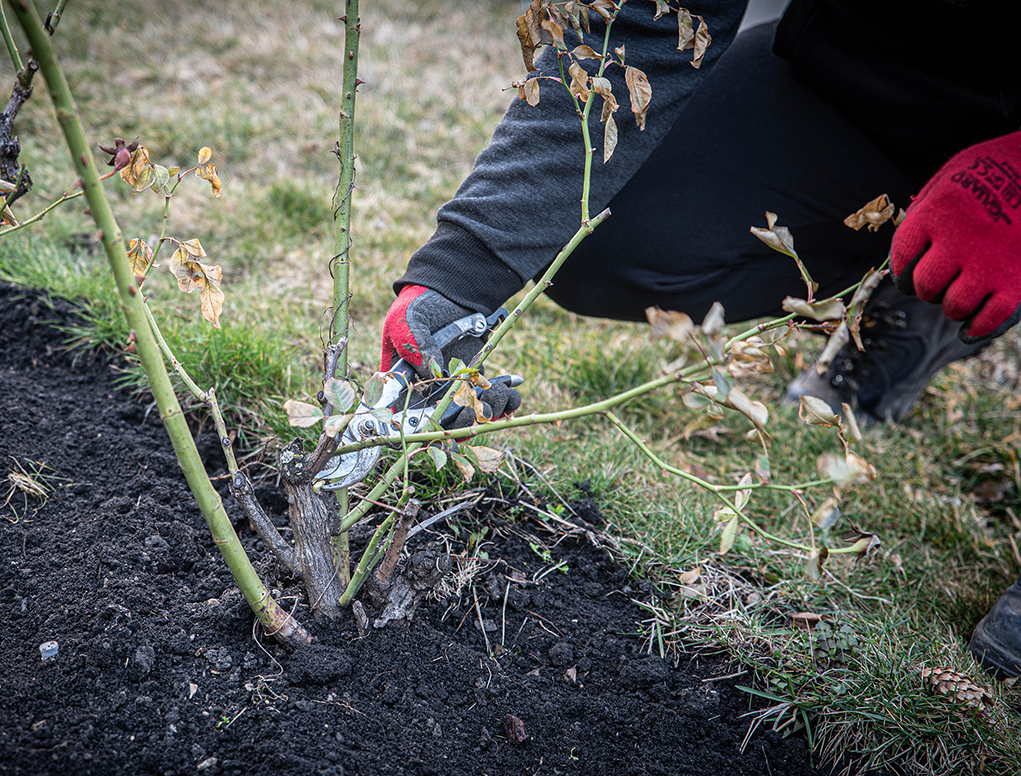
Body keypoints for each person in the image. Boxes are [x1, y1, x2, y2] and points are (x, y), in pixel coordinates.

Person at [378, 0, 1021, 677]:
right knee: (600, 227)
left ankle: (948, 272)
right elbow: (645, 15)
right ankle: (920, 277)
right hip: (870, 78)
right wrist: (461, 273)